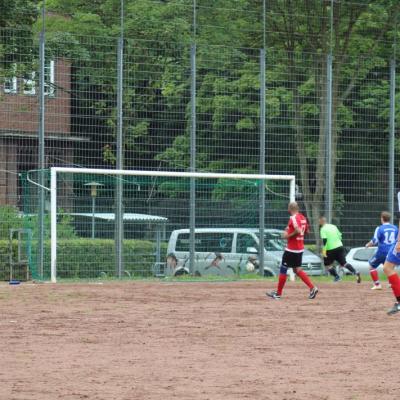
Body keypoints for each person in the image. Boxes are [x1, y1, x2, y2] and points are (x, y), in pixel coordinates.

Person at [266, 202, 318, 300]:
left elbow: (298, 230)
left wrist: (287, 236)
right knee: (297, 270)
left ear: (289, 209)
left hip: (291, 249)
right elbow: (306, 231)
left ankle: (278, 294)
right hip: (300, 248)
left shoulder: (293, 218)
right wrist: (292, 231)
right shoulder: (303, 218)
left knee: (283, 269)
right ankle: (312, 288)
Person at [319, 217, 361, 283]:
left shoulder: (323, 229)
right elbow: (340, 236)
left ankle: (337, 277)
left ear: (321, 222)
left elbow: (325, 241)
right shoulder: (333, 226)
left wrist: (324, 251)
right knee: (344, 263)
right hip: (339, 246)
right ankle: (355, 272)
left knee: (328, 265)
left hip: (330, 249)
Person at [365, 211, 398, 290]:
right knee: (389, 268)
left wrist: (367, 245)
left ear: (382, 219)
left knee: (371, 266)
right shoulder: (395, 228)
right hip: (392, 251)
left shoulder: (379, 228)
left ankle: (377, 284)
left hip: (382, 251)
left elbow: (375, 240)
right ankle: (391, 283)